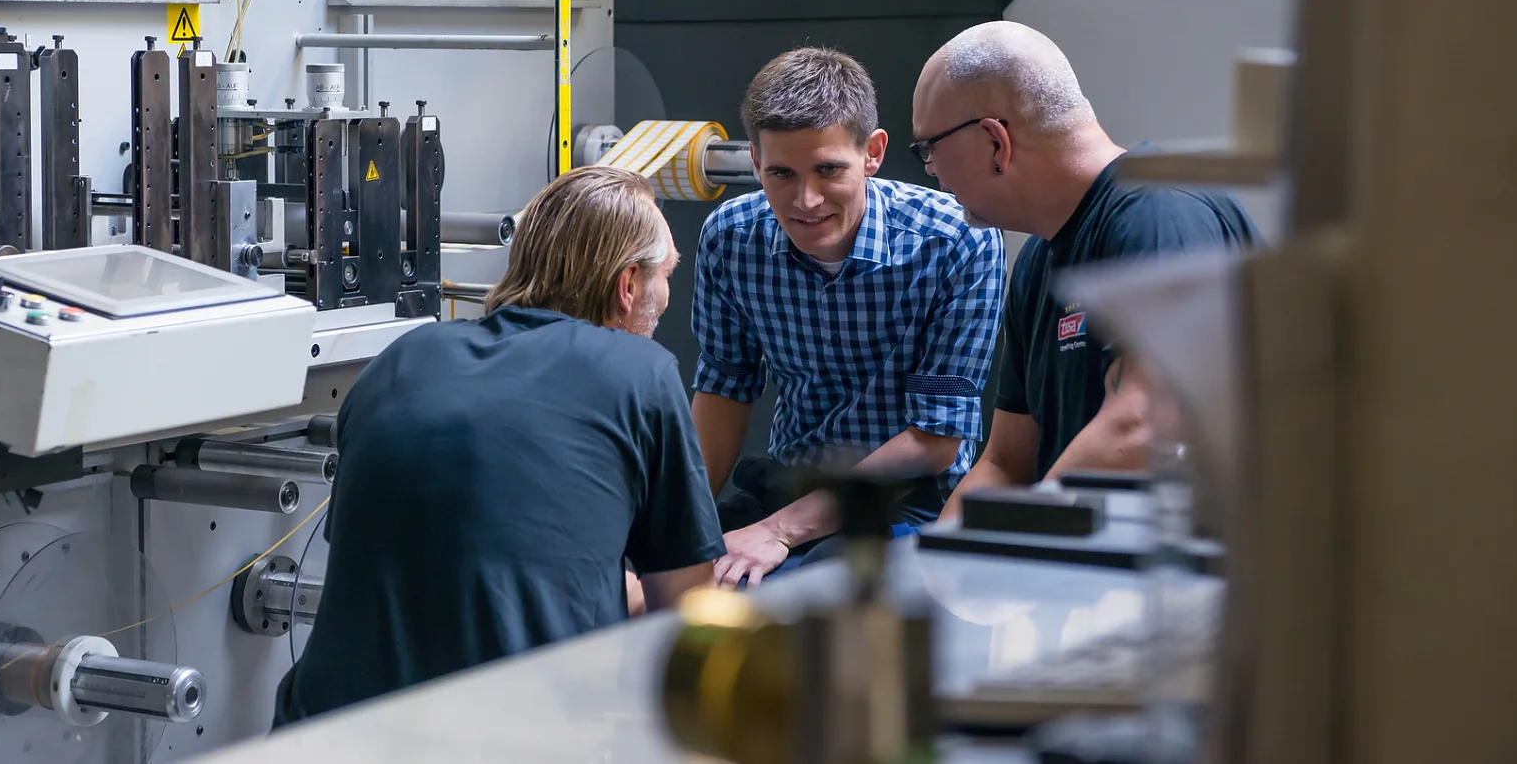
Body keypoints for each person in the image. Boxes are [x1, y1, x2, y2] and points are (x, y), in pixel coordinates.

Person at [274, 166, 724, 725]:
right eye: (667, 274)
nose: (667, 293)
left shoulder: (403, 358)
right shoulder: (641, 372)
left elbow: (435, 565)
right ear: (628, 284)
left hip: (319, 737)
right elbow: (684, 613)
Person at [913, 22, 1261, 520]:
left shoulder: (1160, 212)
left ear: (995, 142)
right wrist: (936, 569)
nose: (931, 171)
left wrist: (1016, 554)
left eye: (929, 149)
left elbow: (1145, 423)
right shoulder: (1036, 262)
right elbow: (1007, 463)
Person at [692, 47, 1006, 587]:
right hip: (785, 486)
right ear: (754, 162)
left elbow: (936, 438)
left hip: (906, 503)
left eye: (828, 169)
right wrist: (681, 535)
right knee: (662, 590)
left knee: (800, 603)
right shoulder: (731, 238)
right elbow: (724, 390)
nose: (805, 199)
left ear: (873, 152)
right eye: (781, 174)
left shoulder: (959, 239)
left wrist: (779, 533)